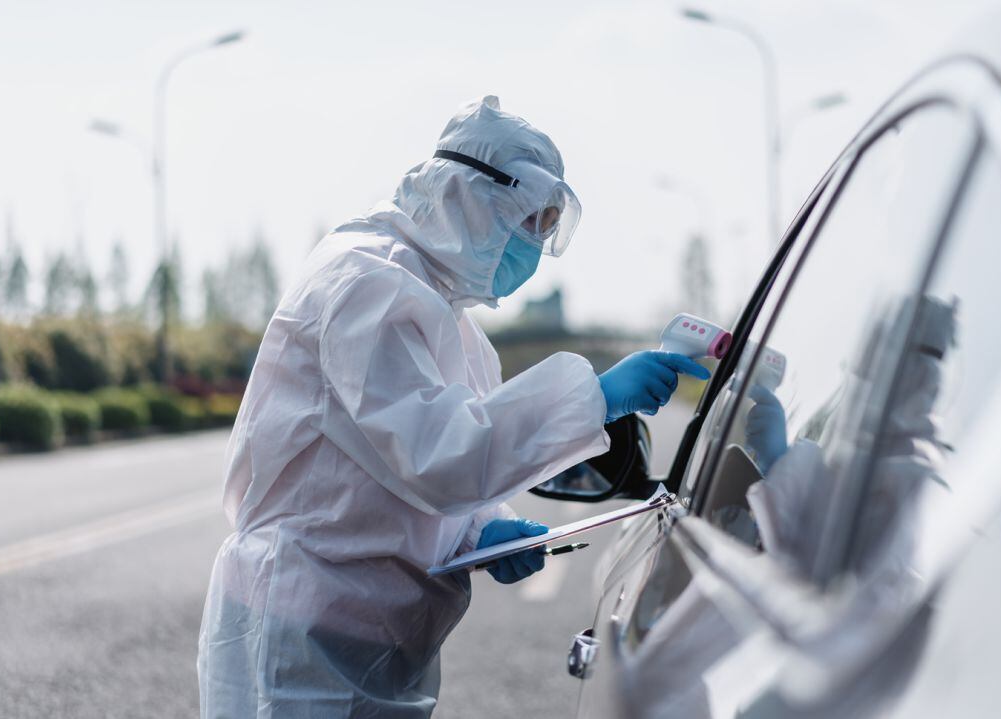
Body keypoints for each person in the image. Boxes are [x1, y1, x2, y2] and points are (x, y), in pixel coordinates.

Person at [197, 95, 710, 718]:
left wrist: (479, 529)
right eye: (532, 223)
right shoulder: (369, 285)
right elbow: (440, 456)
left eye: (549, 227)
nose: (537, 246)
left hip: (363, 629)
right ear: (472, 198)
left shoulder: (443, 313)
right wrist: (596, 397)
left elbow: (400, 462)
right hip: (305, 629)